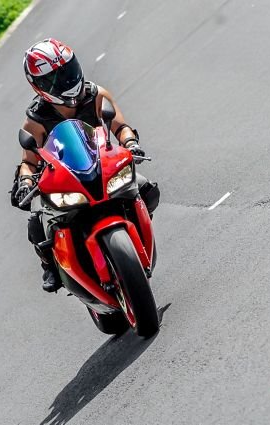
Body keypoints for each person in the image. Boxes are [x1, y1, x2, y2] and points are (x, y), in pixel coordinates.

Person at [11, 38, 160, 292]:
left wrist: (131, 144)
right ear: (39, 86)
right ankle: (50, 266)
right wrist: (25, 182)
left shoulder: (96, 95)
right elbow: (28, 161)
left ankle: (137, 230)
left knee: (146, 188)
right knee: (36, 222)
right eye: (55, 79)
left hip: (102, 168)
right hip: (66, 181)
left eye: (67, 71)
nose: (66, 80)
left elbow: (121, 128)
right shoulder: (35, 120)